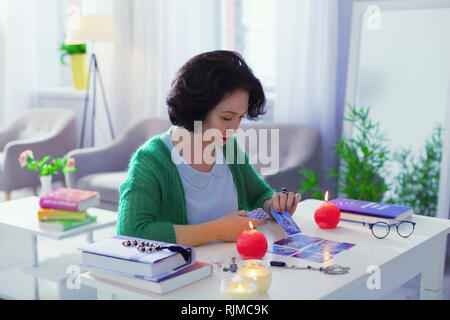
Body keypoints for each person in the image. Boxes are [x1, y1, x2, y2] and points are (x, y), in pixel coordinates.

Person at [117, 50, 301, 246]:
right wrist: (216, 230)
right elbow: (131, 230)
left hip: (230, 269)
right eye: (227, 118)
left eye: (240, 118)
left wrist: (274, 204)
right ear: (197, 109)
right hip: (185, 274)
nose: (234, 128)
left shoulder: (228, 147)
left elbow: (258, 194)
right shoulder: (151, 160)